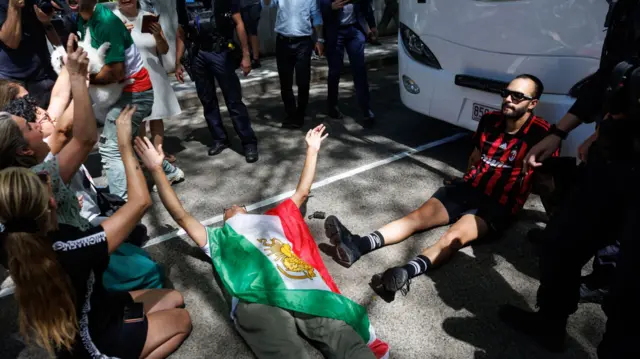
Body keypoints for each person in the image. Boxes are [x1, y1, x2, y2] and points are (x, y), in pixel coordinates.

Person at [135, 125, 389, 359]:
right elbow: (181, 216)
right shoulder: (216, 238)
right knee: (287, 353)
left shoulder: (273, 219)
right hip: (254, 298)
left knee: (343, 338)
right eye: (228, 208)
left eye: (239, 206)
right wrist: (157, 170)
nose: (233, 206)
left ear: (249, 212)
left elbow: (301, 192)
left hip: (301, 289)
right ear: (224, 221)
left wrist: (312, 150)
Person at [324, 75, 554, 301]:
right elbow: (475, 157)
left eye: (517, 96)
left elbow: (547, 183)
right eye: (506, 93)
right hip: (469, 187)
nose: (508, 100)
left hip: (498, 203)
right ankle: (358, 245)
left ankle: (405, 272)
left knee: (453, 237)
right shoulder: (490, 120)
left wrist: (554, 223)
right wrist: (465, 178)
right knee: (415, 219)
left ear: (533, 103)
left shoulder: (543, 134)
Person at [498, 2, 640, 357]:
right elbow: (611, 78)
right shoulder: (627, 10)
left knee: (631, 295)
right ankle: (550, 325)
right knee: (561, 243)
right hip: (613, 162)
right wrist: (562, 132)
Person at [0, 106, 191, 359]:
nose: (51, 183)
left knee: (173, 297)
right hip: (93, 340)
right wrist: (124, 145)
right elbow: (140, 203)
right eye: (47, 185)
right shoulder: (71, 246)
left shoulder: (10, 234)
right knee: (182, 320)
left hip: (95, 308)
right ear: (50, 202)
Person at [77, 0, 182, 199]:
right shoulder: (89, 18)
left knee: (112, 147)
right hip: (120, 88)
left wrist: (83, 80)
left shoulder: (111, 22)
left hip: (137, 86)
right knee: (133, 139)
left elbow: (116, 71)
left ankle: (123, 204)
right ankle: (169, 171)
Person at [175, 0, 259, 162]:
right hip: (197, 54)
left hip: (220, 52)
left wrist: (246, 54)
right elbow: (181, 31)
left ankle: (248, 142)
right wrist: (178, 61)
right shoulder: (182, 2)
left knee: (233, 100)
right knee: (207, 100)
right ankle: (219, 138)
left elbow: (239, 23)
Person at [114, 0, 185, 172]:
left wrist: (158, 36)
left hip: (154, 72)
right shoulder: (114, 21)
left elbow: (164, 49)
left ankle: (158, 151)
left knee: (157, 114)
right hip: (133, 76)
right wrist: (120, 36)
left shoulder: (149, 17)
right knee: (139, 119)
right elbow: (110, 51)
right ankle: (144, 154)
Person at [262, 0, 324, 129]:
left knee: (303, 80)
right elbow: (267, 4)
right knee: (285, 81)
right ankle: (290, 113)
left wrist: (319, 39)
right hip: (283, 41)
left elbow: (316, 16)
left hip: (303, 42)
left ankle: (300, 112)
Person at [319, 0, 376, 127]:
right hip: (335, 32)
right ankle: (332, 107)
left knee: (359, 70)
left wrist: (372, 25)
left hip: (354, 30)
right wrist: (330, 7)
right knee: (335, 71)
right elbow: (318, 6)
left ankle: (366, 109)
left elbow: (366, 4)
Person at [0, 0, 60, 108]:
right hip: (13, 83)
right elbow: (11, 42)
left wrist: (46, 22)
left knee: (55, 121)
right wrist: (14, 6)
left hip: (44, 77)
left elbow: (57, 41)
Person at [240, 0, 262, 68]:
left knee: (252, 30)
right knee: (246, 31)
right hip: (242, 5)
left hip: (252, 4)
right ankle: (252, 55)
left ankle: (256, 58)